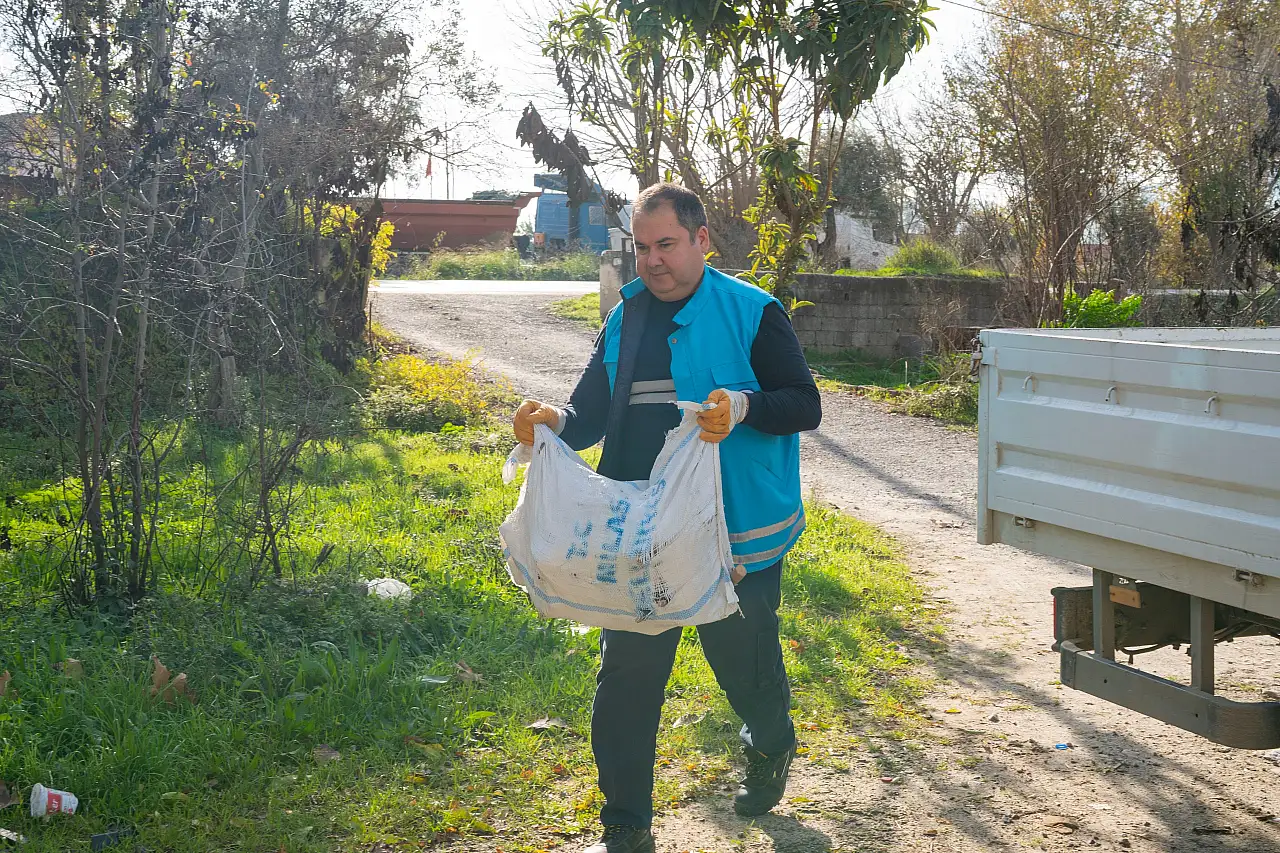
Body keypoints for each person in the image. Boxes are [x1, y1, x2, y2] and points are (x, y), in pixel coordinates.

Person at [512, 183, 822, 853]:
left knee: (744, 666)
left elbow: (804, 403)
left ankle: (771, 743)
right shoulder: (627, 319)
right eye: (641, 247)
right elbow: (589, 413)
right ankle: (626, 824)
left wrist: (743, 406)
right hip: (640, 535)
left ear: (702, 240)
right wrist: (552, 424)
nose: (652, 261)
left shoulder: (753, 313)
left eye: (667, 245)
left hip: (734, 530)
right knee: (627, 675)